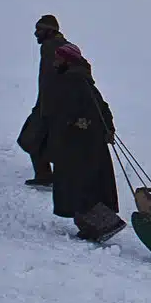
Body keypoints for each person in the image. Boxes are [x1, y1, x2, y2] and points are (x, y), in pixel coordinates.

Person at [38, 26, 120, 238]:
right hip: (83, 143)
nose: (55, 62)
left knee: (78, 187)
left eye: (58, 59)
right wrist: (107, 128)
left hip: (77, 145)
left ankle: (101, 225)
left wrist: (74, 124)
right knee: (84, 185)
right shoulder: (81, 79)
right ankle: (95, 225)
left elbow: (78, 110)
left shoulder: (73, 80)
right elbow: (102, 108)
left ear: (67, 60)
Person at [15, 15, 62, 186]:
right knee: (41, 140)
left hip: (50, 106)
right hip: (48, 104)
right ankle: (46, 175)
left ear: (49, 31)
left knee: (30, 138)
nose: (36, 34)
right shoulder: (58, 46)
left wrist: (47, 107)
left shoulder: (52, 47)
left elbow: (53, 79)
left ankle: (47, 176)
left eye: (39, 30)